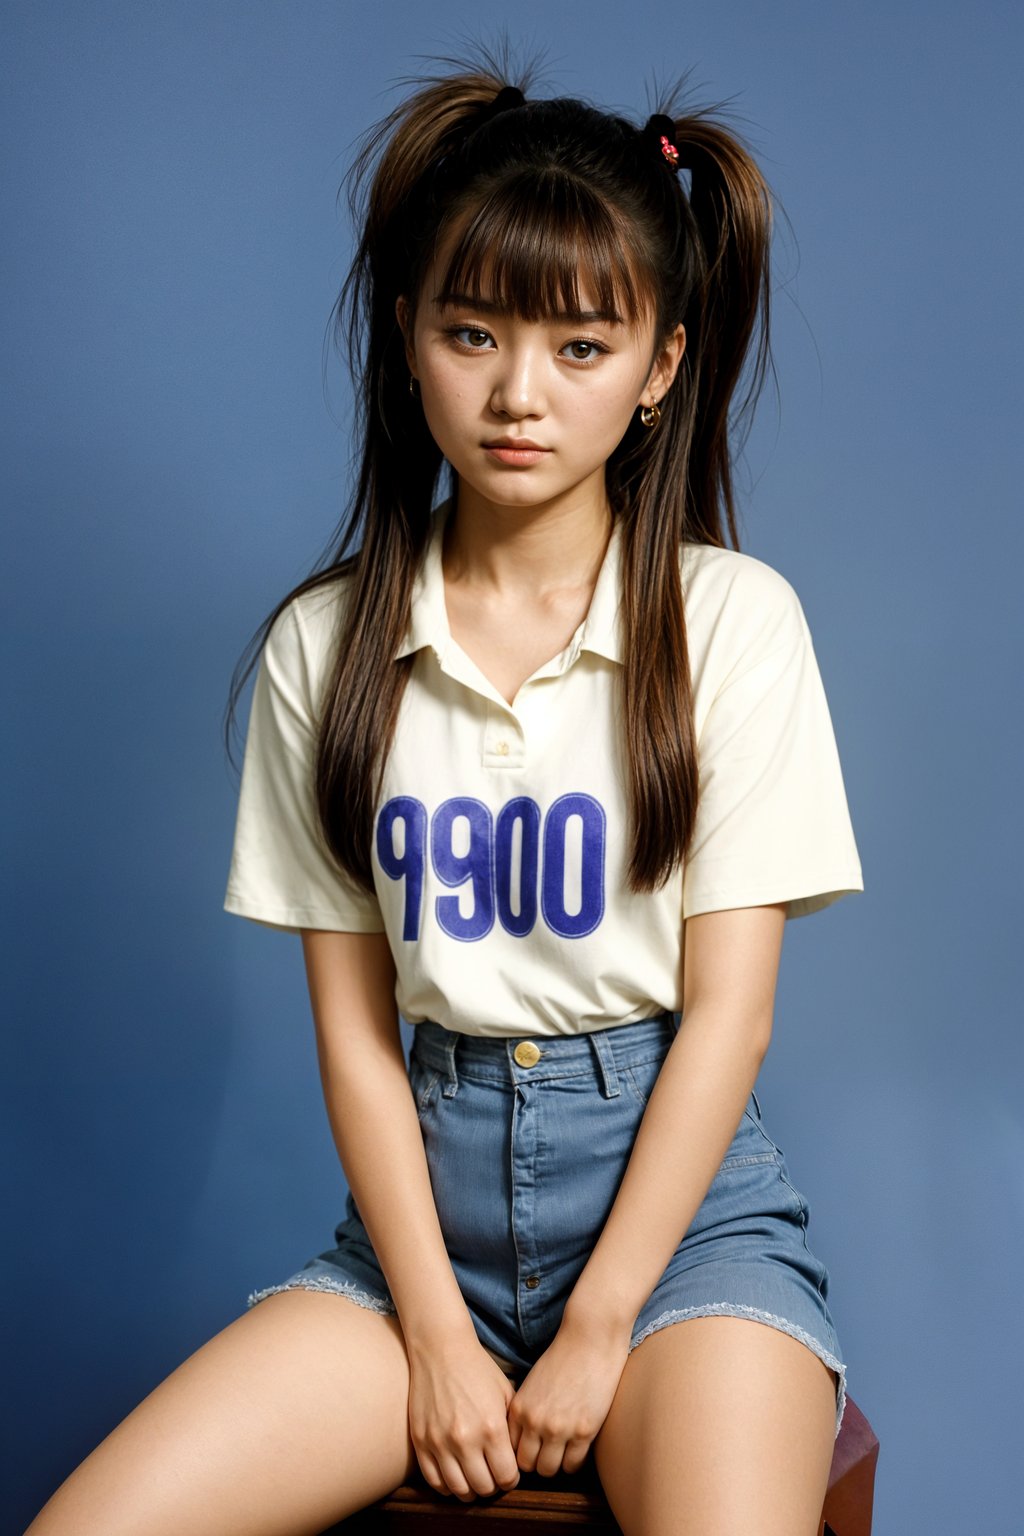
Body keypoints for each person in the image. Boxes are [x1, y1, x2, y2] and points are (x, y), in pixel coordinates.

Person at [25, 42, 865, 1536]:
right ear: (407, 335)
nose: (517, 395)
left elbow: (732, 1012)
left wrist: (602, 1323)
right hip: (422, 1236)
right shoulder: (328, 644)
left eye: (581, 350)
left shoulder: (733, 623)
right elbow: (355, 1038)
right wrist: (429, 1327)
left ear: (665, 365)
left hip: (679, 1240)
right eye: (471, 334)